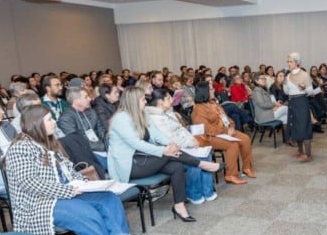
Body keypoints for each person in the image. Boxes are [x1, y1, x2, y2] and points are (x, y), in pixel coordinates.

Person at [3, 106, 148, 235]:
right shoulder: (21, 148)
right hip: (39, 204)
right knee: (86, 213)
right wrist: (67, 190)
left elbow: (70, 171)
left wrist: (87, 183)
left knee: (109, 198)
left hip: (66, 193)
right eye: (49, 119)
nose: (54, 122)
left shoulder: (48, 143)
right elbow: (29, 182)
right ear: (36, 124)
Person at [108, 86, 221, 221]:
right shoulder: (121, 119)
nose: (146, 102)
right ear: (133, 101)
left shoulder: (143, 114)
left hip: (146, 159)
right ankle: (202, 164)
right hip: (131, 165)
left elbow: (156, 135)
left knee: (176, 166)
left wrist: (170, 144)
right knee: (168, 155)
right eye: (143, 99)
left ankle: (179, 206)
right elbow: (135, 143)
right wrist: (163, 150)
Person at [145, 89, 218, 205]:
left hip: (184, 144)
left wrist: (193, 140)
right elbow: (170, 138)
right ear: (160, 102)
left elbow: (181, 129)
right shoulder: (154, 118)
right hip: (170, 150)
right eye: (168, 98)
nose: (172, 100)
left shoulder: (168, 112)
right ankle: (194, 194)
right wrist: (190, 143)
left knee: (206, 155)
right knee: (195, 161)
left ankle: (207, 191)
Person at [191, 81, 256, 183]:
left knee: (245, 138)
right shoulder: (198, 109)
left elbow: (226, 117)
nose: (213, 90)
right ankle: (230, 175)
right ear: (205, 92)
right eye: (211, 89)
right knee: (233, 144)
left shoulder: (213, 103)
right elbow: (207, 129)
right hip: (207, 137)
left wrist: (231, 126)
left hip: (224, 132)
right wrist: (225, 131)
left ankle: (247, 168)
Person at [284, 52, 315, 162]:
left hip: (301, 102)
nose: (288, 63)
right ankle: (300, 151)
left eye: (291, 61)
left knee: (304, 127)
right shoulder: (288, 75)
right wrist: (285, 84)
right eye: (288, 61)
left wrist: (303, 88)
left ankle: (308, 155)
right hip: (292, 102)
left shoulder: (304, 75)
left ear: (297, 62)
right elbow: (286, 92)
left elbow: (311, 92)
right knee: (296, 127)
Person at [251, 74, 292, 146]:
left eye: (265, 79)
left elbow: (267, 103)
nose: (264, 80)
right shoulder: (257, 91)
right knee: (286, 109)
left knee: (285, 117)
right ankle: (292, 135)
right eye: (262, 79)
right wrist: (274, 105)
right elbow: (262, 104)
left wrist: (274, 106)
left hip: (268, 112)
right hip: (263, 116)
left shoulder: (263, 89)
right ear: (256, 81)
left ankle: (287, 138)